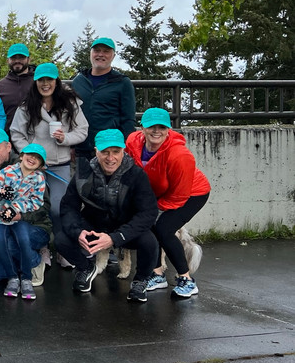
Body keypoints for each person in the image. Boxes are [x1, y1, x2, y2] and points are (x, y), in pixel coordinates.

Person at [58, 129, 160, 302]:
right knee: (61, 239)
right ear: (96, 151)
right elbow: (68, 207)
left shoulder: (136, 175)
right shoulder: (83, 173)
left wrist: (116, 237)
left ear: (123, 151)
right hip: (94, 227)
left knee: (150, 243)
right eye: (105, 152)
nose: (110, 158)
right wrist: (77, 232)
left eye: (115, 152)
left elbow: (148, 213)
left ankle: (140, 280)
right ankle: (86, 268)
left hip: (125, 228)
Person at [125, 108, 211, 298]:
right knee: (148, 226)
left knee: (163, 229)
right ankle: (157, 275)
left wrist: (154, 208)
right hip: (160, 192)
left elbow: (179, 195)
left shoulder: (179, 154)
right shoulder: (132, 142)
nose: (157, 131)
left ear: (168, 129)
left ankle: (186, 279)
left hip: (192, 193)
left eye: (162, 127)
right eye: (151, 126)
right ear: (142, 128)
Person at [10, 62, 88, 249]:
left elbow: (82, 130)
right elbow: (16, 134)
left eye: (49, 79)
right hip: (34, 167)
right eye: (41, 80)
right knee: (34, 206)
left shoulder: (70, 103)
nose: (45, 84)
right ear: (35, 82)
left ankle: (63, 247)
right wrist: (30, 156)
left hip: (60, 165)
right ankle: (41, 247)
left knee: (59, 207)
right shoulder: (26, 106)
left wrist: (65, 138)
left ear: (56, 81)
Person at [0, 128, 54, 283]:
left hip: (34, 225)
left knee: (10, 243)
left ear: (8, 147)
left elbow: (44, 207)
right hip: (4, 223)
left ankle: (35, 261)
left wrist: (21, 216)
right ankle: (22, 263)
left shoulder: (31, 167)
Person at [0, 144, 48, 300]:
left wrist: (17, 209)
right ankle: (12, 278)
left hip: (19, 216)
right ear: (21, 155)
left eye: (38, 158)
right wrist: (1, 192)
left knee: (23, 240)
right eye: (30, 154)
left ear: (41, 165)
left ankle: (27, 278)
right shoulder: (7, 171)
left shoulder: (39, 178)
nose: (33, 158)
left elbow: (37, 202)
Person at [71, 37, 136, 160]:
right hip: (82, 149)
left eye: (106, 51)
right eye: (97, 50)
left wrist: (124, 146)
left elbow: (128, 119)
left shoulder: (122, 82)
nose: (100, 54)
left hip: (109, 150)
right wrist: (71, 145)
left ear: (113, 56)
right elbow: (70, 115)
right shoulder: (78, 81)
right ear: (90, 53)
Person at [0, 43, 35, 129]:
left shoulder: (38, 83)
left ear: (28, 59)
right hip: (7, 135)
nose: (17, 61)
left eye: (21, 57)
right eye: (13, 58)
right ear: (8, 60)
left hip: (34, 135)